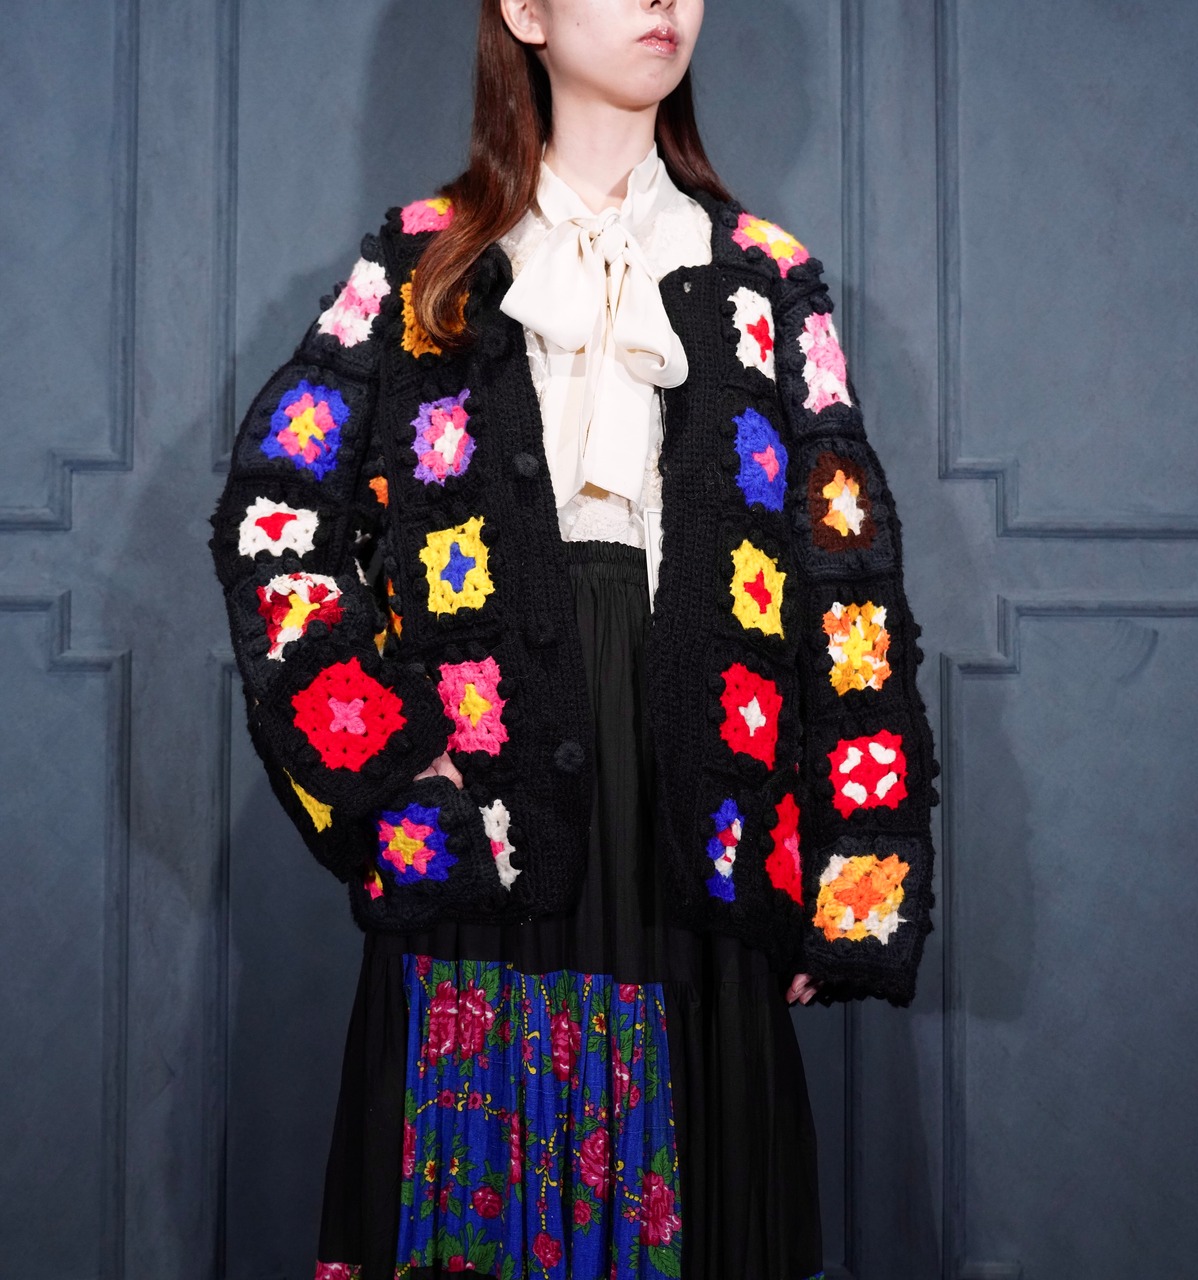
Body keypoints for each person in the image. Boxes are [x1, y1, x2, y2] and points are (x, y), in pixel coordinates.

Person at [209, 0, 939, 1275]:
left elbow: (847, 590)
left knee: (702, 1196)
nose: (664, 2)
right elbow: (275, 522)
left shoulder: (765, 279)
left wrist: (853, 869)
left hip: (696, 811)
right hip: (488, 813)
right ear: (525, 11)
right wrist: (394, 765)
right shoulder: (422, 268)